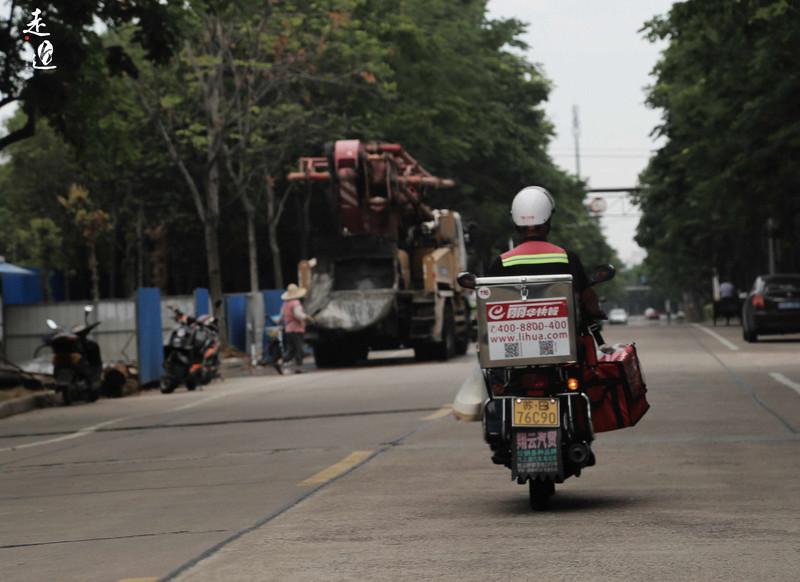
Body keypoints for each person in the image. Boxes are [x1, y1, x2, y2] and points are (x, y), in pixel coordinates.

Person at [488, 186, 604, 318]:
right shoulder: (567, 258)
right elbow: (587, 295)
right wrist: (595, 310)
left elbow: (489, 299)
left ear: (517, 224)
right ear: (547, 222)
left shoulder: (503, 262)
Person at [274, 283, 314, 374]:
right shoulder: (296, 303)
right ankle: (298, 368)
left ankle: (279, 362)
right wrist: (307, 317)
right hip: (296, 329)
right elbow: (298, 315)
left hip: (288, 330)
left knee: (291, 349)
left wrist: (279, 325)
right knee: (299, 349)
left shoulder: (285, 305)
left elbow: (281, 318)